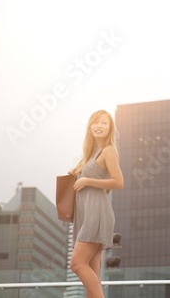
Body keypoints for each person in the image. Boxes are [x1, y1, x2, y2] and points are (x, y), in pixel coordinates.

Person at [69, 110, 124, 298]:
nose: (99, 126)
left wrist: (87, 181)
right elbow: (104, 184)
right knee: (92, 270)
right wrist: (77, 175)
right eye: (95, 122)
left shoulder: (108, 151)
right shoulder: (90, 154)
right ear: (90, 127)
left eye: (104, 123)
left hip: (96, 213)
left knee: (76, 264)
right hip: (86, 213)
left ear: (110, 129)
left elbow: (118, 182)